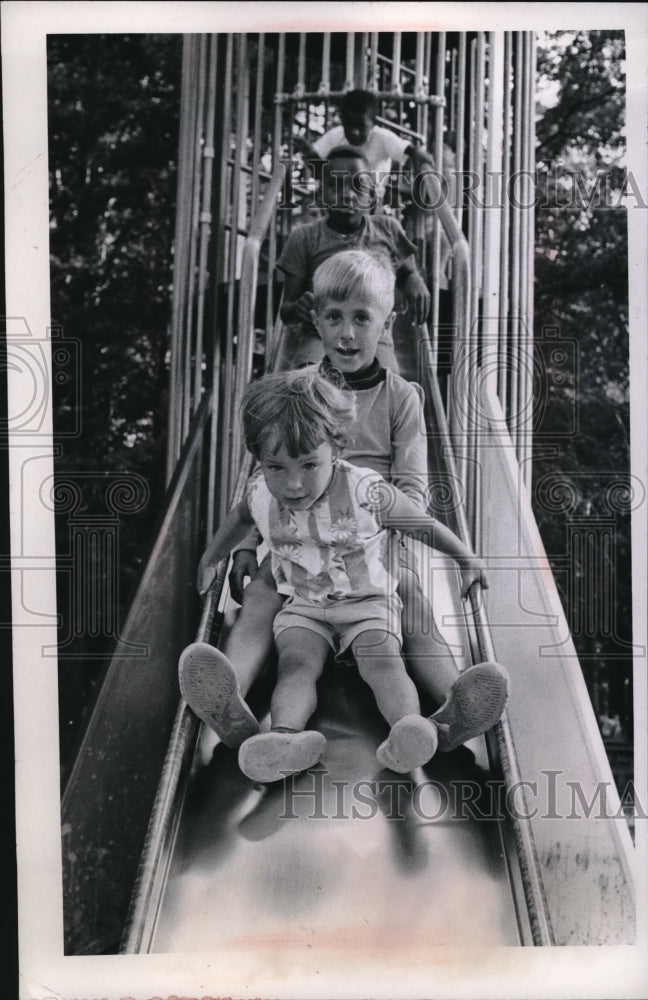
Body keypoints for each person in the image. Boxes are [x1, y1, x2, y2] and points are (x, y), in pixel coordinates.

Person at [179, 250, 509, 772]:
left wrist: (394, 527)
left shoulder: (402, 396)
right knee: (261, 594)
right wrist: (243, 546)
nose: (348, 332)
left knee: (414, 606)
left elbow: (412, 481)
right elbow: (262, 477)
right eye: (334, 317)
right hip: (300, 540)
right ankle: (230, 699)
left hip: (371, 531)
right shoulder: (298, 387)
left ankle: (454, 706)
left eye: (362, 318)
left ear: (387, 322)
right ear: (316, 319)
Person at [192, 366, 493, 783]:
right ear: (259, 460)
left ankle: (409, 729)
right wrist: (212, 555)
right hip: (304, 605)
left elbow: (419, 523)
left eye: (308, 464)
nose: (294, 483)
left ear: (336, 447)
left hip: (368, 602)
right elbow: (241, 518)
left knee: (384, 663)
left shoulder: (365, 491)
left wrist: (466, 558)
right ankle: (285, 738)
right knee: (295, 666)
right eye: (276, 467)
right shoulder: (262, 492)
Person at [277, 145, 430, 368]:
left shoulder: (387, 229)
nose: (347, 195)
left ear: (371, 195)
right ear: (321, 195)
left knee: (387, 385)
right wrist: (299, 307)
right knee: (308, 383)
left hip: (374, 336)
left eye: (357, 187)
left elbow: (408, 273)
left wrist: (416, 283)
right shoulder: (305, 238)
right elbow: (286, 311)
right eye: (335, 187)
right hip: (322, 336)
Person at [294, 88, 434, 203]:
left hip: (371, 201)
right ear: (342, 120)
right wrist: (309, 154)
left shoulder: (382, 137)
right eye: (349, 125)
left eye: (361, 126)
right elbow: (319, 170)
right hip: (339, 198)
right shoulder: (336, 135)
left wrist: (420, 158)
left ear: (372, 124)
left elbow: (408, 150)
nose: (354, 131)